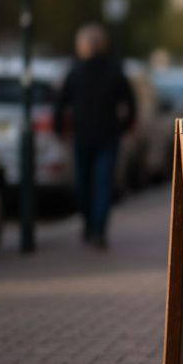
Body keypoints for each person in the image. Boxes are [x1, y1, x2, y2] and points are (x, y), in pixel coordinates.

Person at [53, 23, 135, 250]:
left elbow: (60, 104)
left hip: (87, 138)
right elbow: (130, 104)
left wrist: (59, 127)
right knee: (100, 185)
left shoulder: (76, 71)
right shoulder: (112, 70)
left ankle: (93, 227)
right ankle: (96, 228)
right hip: (105, 137)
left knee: (86, 185)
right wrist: (123, 126)